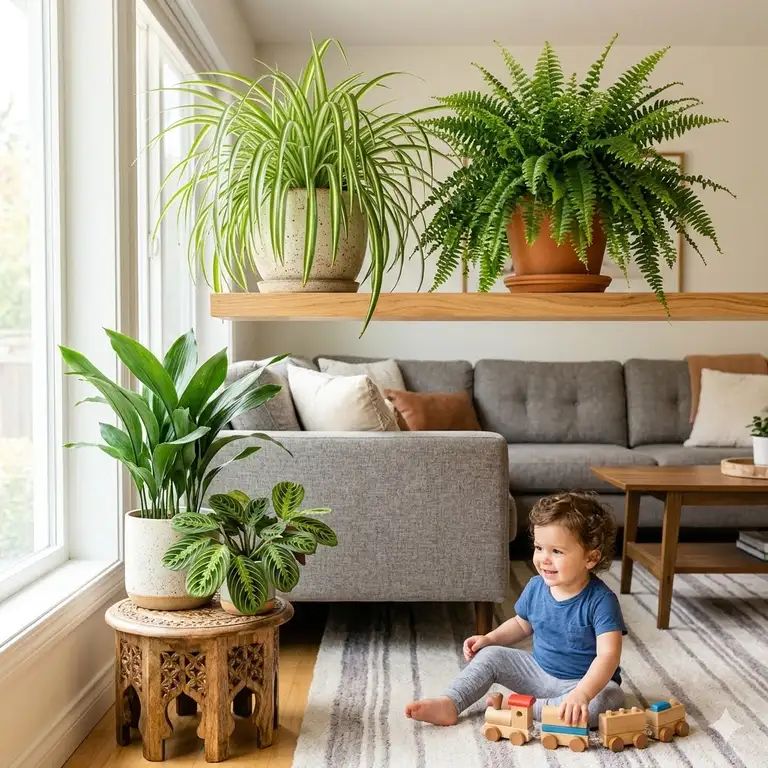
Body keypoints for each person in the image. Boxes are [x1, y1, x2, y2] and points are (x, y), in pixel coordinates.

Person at [405, 491, 627, 728]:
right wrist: (490, 638)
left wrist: (582, 694)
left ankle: (524, 707)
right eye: (539, 548)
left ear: (590, 558)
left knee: (609, 701)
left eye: (557, 551)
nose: (544, 559)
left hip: (583, 683)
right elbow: (522, 624)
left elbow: (608, 656)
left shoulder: (602, 601)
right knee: (491, 655)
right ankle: (450, 703)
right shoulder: (536, 587)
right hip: (538, 672)